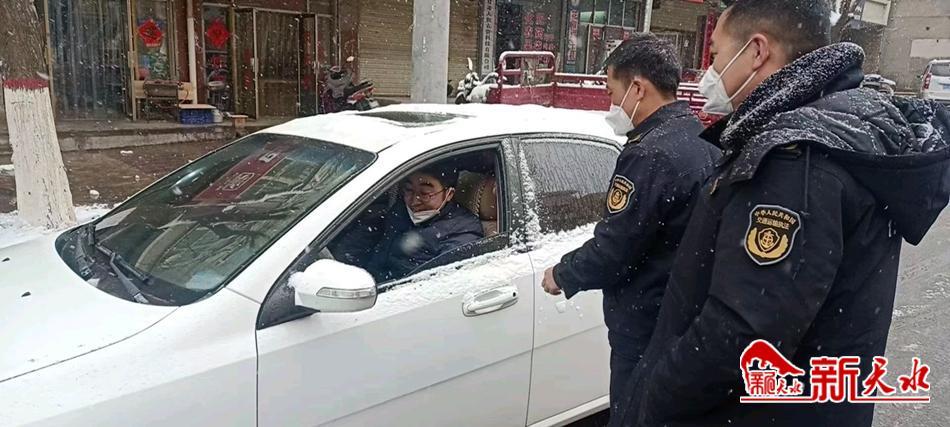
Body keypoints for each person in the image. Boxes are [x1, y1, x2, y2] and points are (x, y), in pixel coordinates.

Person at [615, 0, 950, 425]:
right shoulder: (839, 129)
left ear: (756, 51)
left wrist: (653, 400)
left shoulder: (794, 160)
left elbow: (742, 331)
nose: (707, 74)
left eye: (715, 55)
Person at [539, 34, 721, 419]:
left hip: (644, 323)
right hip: (682, 314)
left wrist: (564, 273)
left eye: (611, 91)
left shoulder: (650, 154)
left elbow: (616, 247)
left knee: (631, 414)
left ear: (637, 88)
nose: (610, 103)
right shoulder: (699, 137)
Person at [365, 164, 483, 282]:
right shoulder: (400, 210)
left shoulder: (463, 229)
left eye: (425, 193)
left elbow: (442, 282)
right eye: (409, 190)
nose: (414, 201)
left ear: (449, 194)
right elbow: (376, 253)